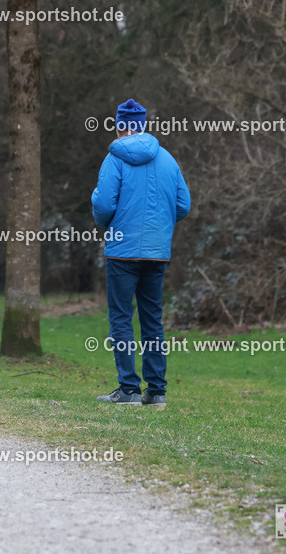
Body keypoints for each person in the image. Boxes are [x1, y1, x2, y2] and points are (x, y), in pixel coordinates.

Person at [91, 99, 191, 408]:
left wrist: (105, 221)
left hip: (122, 250)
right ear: (143, 125)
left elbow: (104, 205)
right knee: (153, 319)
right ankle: (157, 391)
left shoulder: (113, 159)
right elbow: (183, 205)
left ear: (119, 125)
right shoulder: (168, 159)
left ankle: (129, 390)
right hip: (157, 251)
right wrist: (160, 225)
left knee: (121, 318)